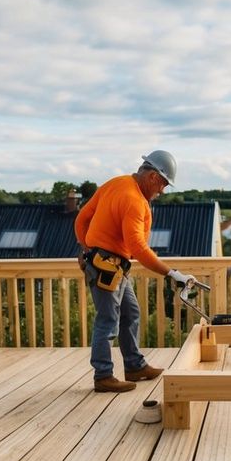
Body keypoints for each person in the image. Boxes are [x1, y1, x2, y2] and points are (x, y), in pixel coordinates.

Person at [74, 150, 196, 392]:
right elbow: (138, 247)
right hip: (107, 268)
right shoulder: (134, 200)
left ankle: (135, 366)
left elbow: (82, 219)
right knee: (107, 320)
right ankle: (103, 376)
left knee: (130, 313)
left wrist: (86, 250)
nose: (162, 191)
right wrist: (171, 273)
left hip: (111, 266)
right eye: (162, 184)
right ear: (152, 176)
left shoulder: (116, 183)